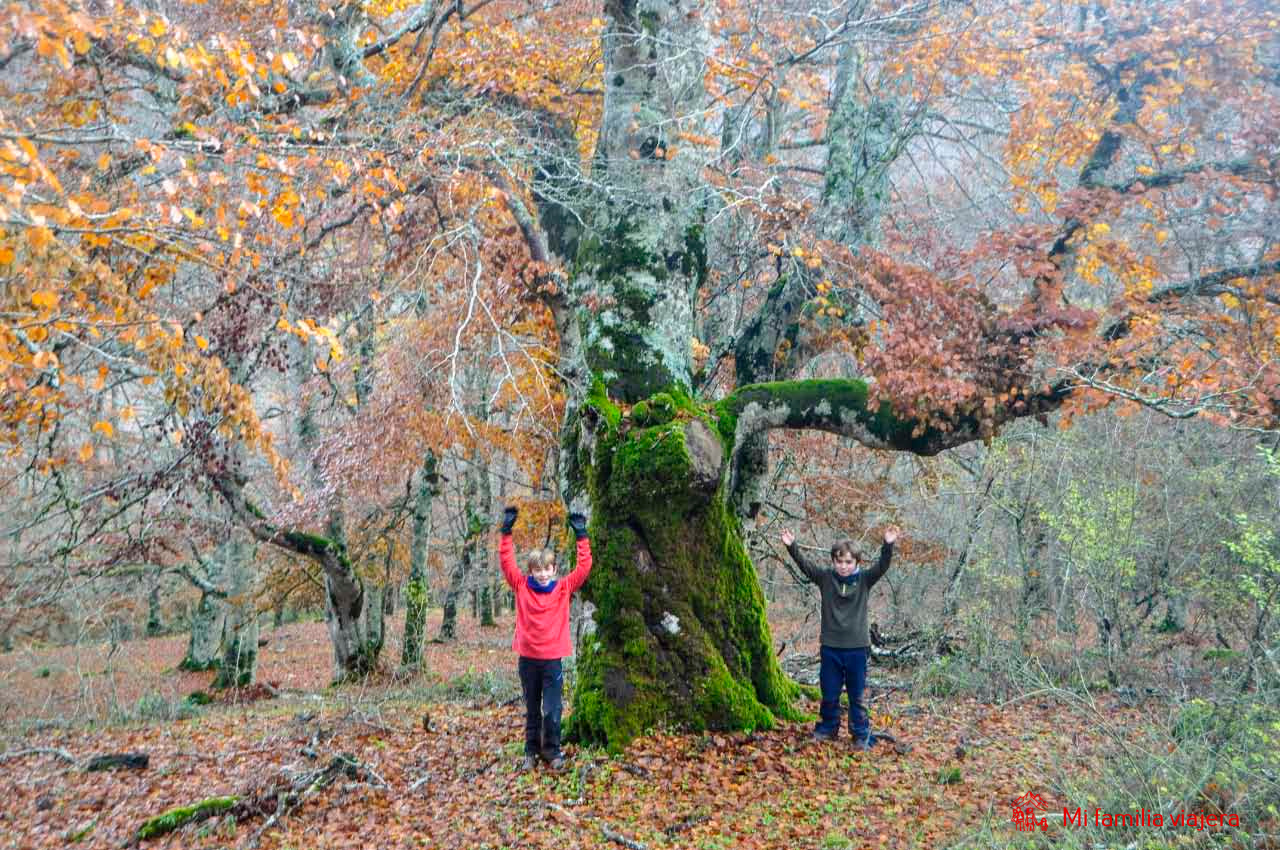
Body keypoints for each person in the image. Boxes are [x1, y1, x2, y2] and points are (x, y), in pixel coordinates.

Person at [780, 523, 900, 749]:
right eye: (839, 561)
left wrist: (888, 544)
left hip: (857, 648)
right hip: (831, 647)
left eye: (848, 562)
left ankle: (860, 734)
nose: (843, 566)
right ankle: (828, 728)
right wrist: (791, 546)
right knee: (830, 692)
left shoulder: (864, 580)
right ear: (833, 561)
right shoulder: (826, 578)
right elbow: (805, 566)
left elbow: (883, 566)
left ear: (856, 563)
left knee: (856, 695)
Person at [498, 505, 592, 770]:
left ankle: (552, 752)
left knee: (552, 710)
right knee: (532, 709)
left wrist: (582, 535)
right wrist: (506, 532)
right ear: (531, 571)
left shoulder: (563, 588)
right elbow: (506, 563)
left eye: (546, 569)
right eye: (537, 570)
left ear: (553, 570)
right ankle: (530, 752)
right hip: (528, 660)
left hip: (552, 660)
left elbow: (584, 568)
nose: (541, 574)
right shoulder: (520, 585)